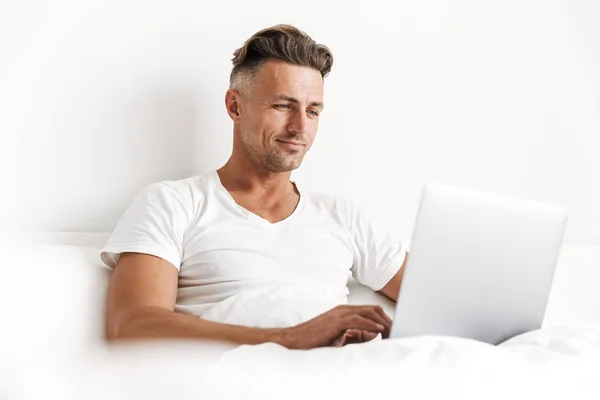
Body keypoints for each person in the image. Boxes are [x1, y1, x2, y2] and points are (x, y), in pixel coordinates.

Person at [101, 24, 409, 350]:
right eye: (283, 106)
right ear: (235, 106)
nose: (300, 127)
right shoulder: (173, 203)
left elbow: (442, 302)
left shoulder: (344, 216)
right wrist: (288, 339)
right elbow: (132, 323)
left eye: (313, 110)